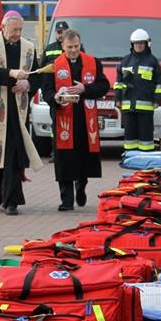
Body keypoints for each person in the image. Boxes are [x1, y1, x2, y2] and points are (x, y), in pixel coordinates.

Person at [0, 10, 44, 215]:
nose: (17, 34)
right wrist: (10, 74)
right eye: (14, 30)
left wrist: (27, 83)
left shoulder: (29, 48)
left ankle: (12, 200)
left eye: (20, 30)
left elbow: (38, 76)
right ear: (4, 27)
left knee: (13, 158)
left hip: (17, 112)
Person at [43, 28, 110, 211]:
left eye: (76, 46)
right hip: (63, 119)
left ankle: (81, 186)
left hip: (84, 120)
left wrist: (85, 89)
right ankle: (66, 199)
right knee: (64, 160)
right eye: (69, 47)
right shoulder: (53, 65)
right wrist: (55, 98)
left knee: (83, 158)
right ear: (62, 46)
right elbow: (46, 90)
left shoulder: (93, 62)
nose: (73, 50)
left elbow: (104, 86)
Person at [115, 28, 161, 151]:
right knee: (129, 139)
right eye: (136, 43)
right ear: (132, 44)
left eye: (141, 43)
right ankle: (130, 158)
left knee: (146, 139)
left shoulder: (152, 61)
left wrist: (157, 101)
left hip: (146, 108)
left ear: (146, 44)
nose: (138, 46)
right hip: (128, 107)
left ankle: (145, 161)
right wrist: (118, 98)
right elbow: (119, 82)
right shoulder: (126, 61)